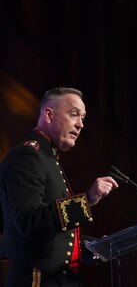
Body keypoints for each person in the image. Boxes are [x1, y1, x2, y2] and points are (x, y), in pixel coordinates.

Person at [0, 87, 119, 287]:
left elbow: (55, 234)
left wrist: (95, 248)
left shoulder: (49, 159)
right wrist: (87, 200)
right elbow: (30, 220)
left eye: (83, 118)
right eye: (74, 115)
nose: (80, 124)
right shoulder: (28, 156)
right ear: (49, 115)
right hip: (36, 280)